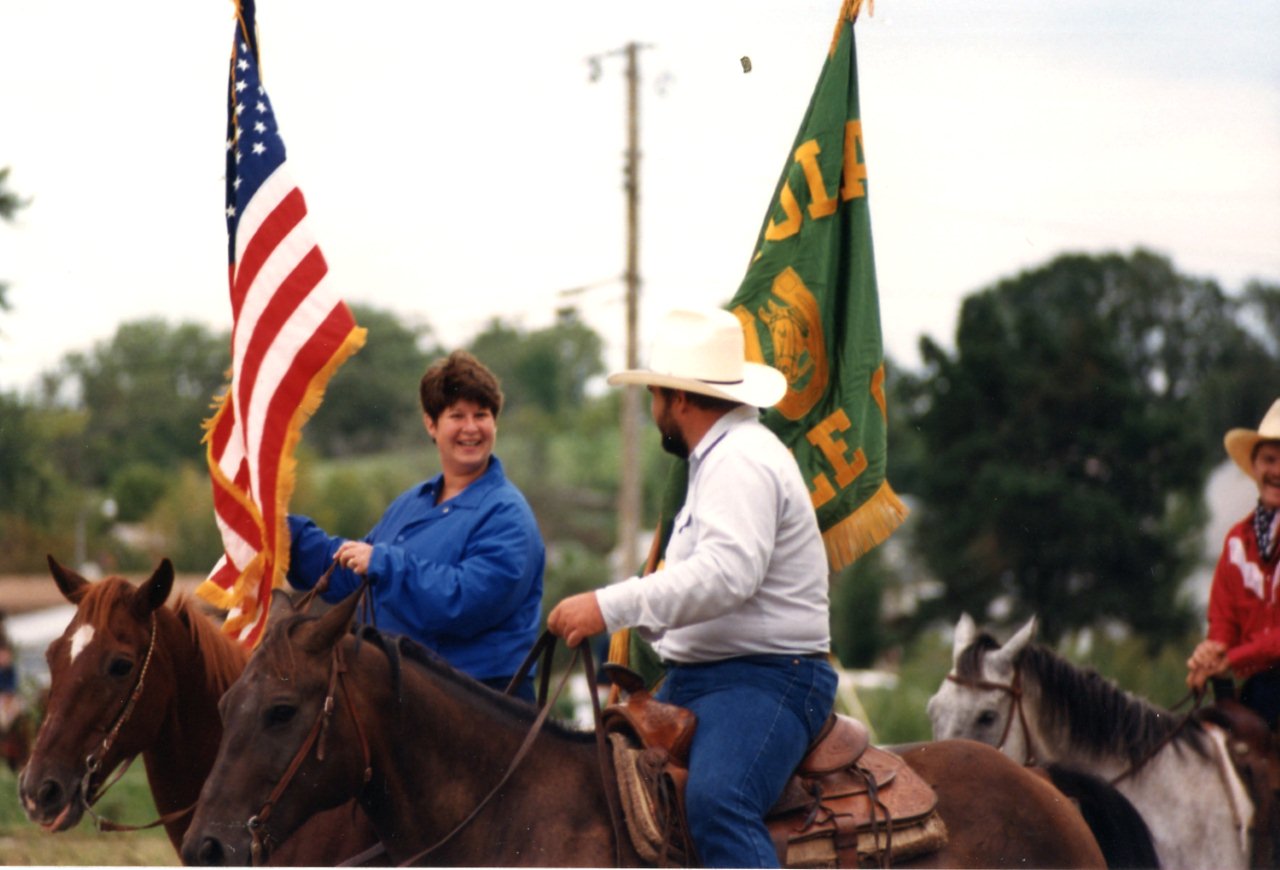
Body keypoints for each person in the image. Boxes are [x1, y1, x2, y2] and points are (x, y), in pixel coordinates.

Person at [547, 308, 837, 868]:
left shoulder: (740, 462)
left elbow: (726, 576)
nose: (654, 412)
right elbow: (707, 585)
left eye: (655, 396)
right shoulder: (722, 460)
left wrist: (608, 606)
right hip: (707, 679)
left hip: (769, 680)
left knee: (718, 803)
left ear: (677, 399)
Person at [287, 350, 545, 702]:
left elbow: (464, 603)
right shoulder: (413, 503)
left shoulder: (506, 515)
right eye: (457, 415)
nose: (471, 428)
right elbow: (355, 574)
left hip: (482, 708)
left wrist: (384, 564)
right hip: (408, 699)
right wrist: (286, 537)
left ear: (495, 423)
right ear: (431, 424)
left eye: (481, 415)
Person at [1187, 398, 1280, 727]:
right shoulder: (1238, 540)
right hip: (1257, 692)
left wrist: (1230, 658)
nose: (1277, 472)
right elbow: (1223, 619)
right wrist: (1210, 652)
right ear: (1255, 466)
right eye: (1269, 460)